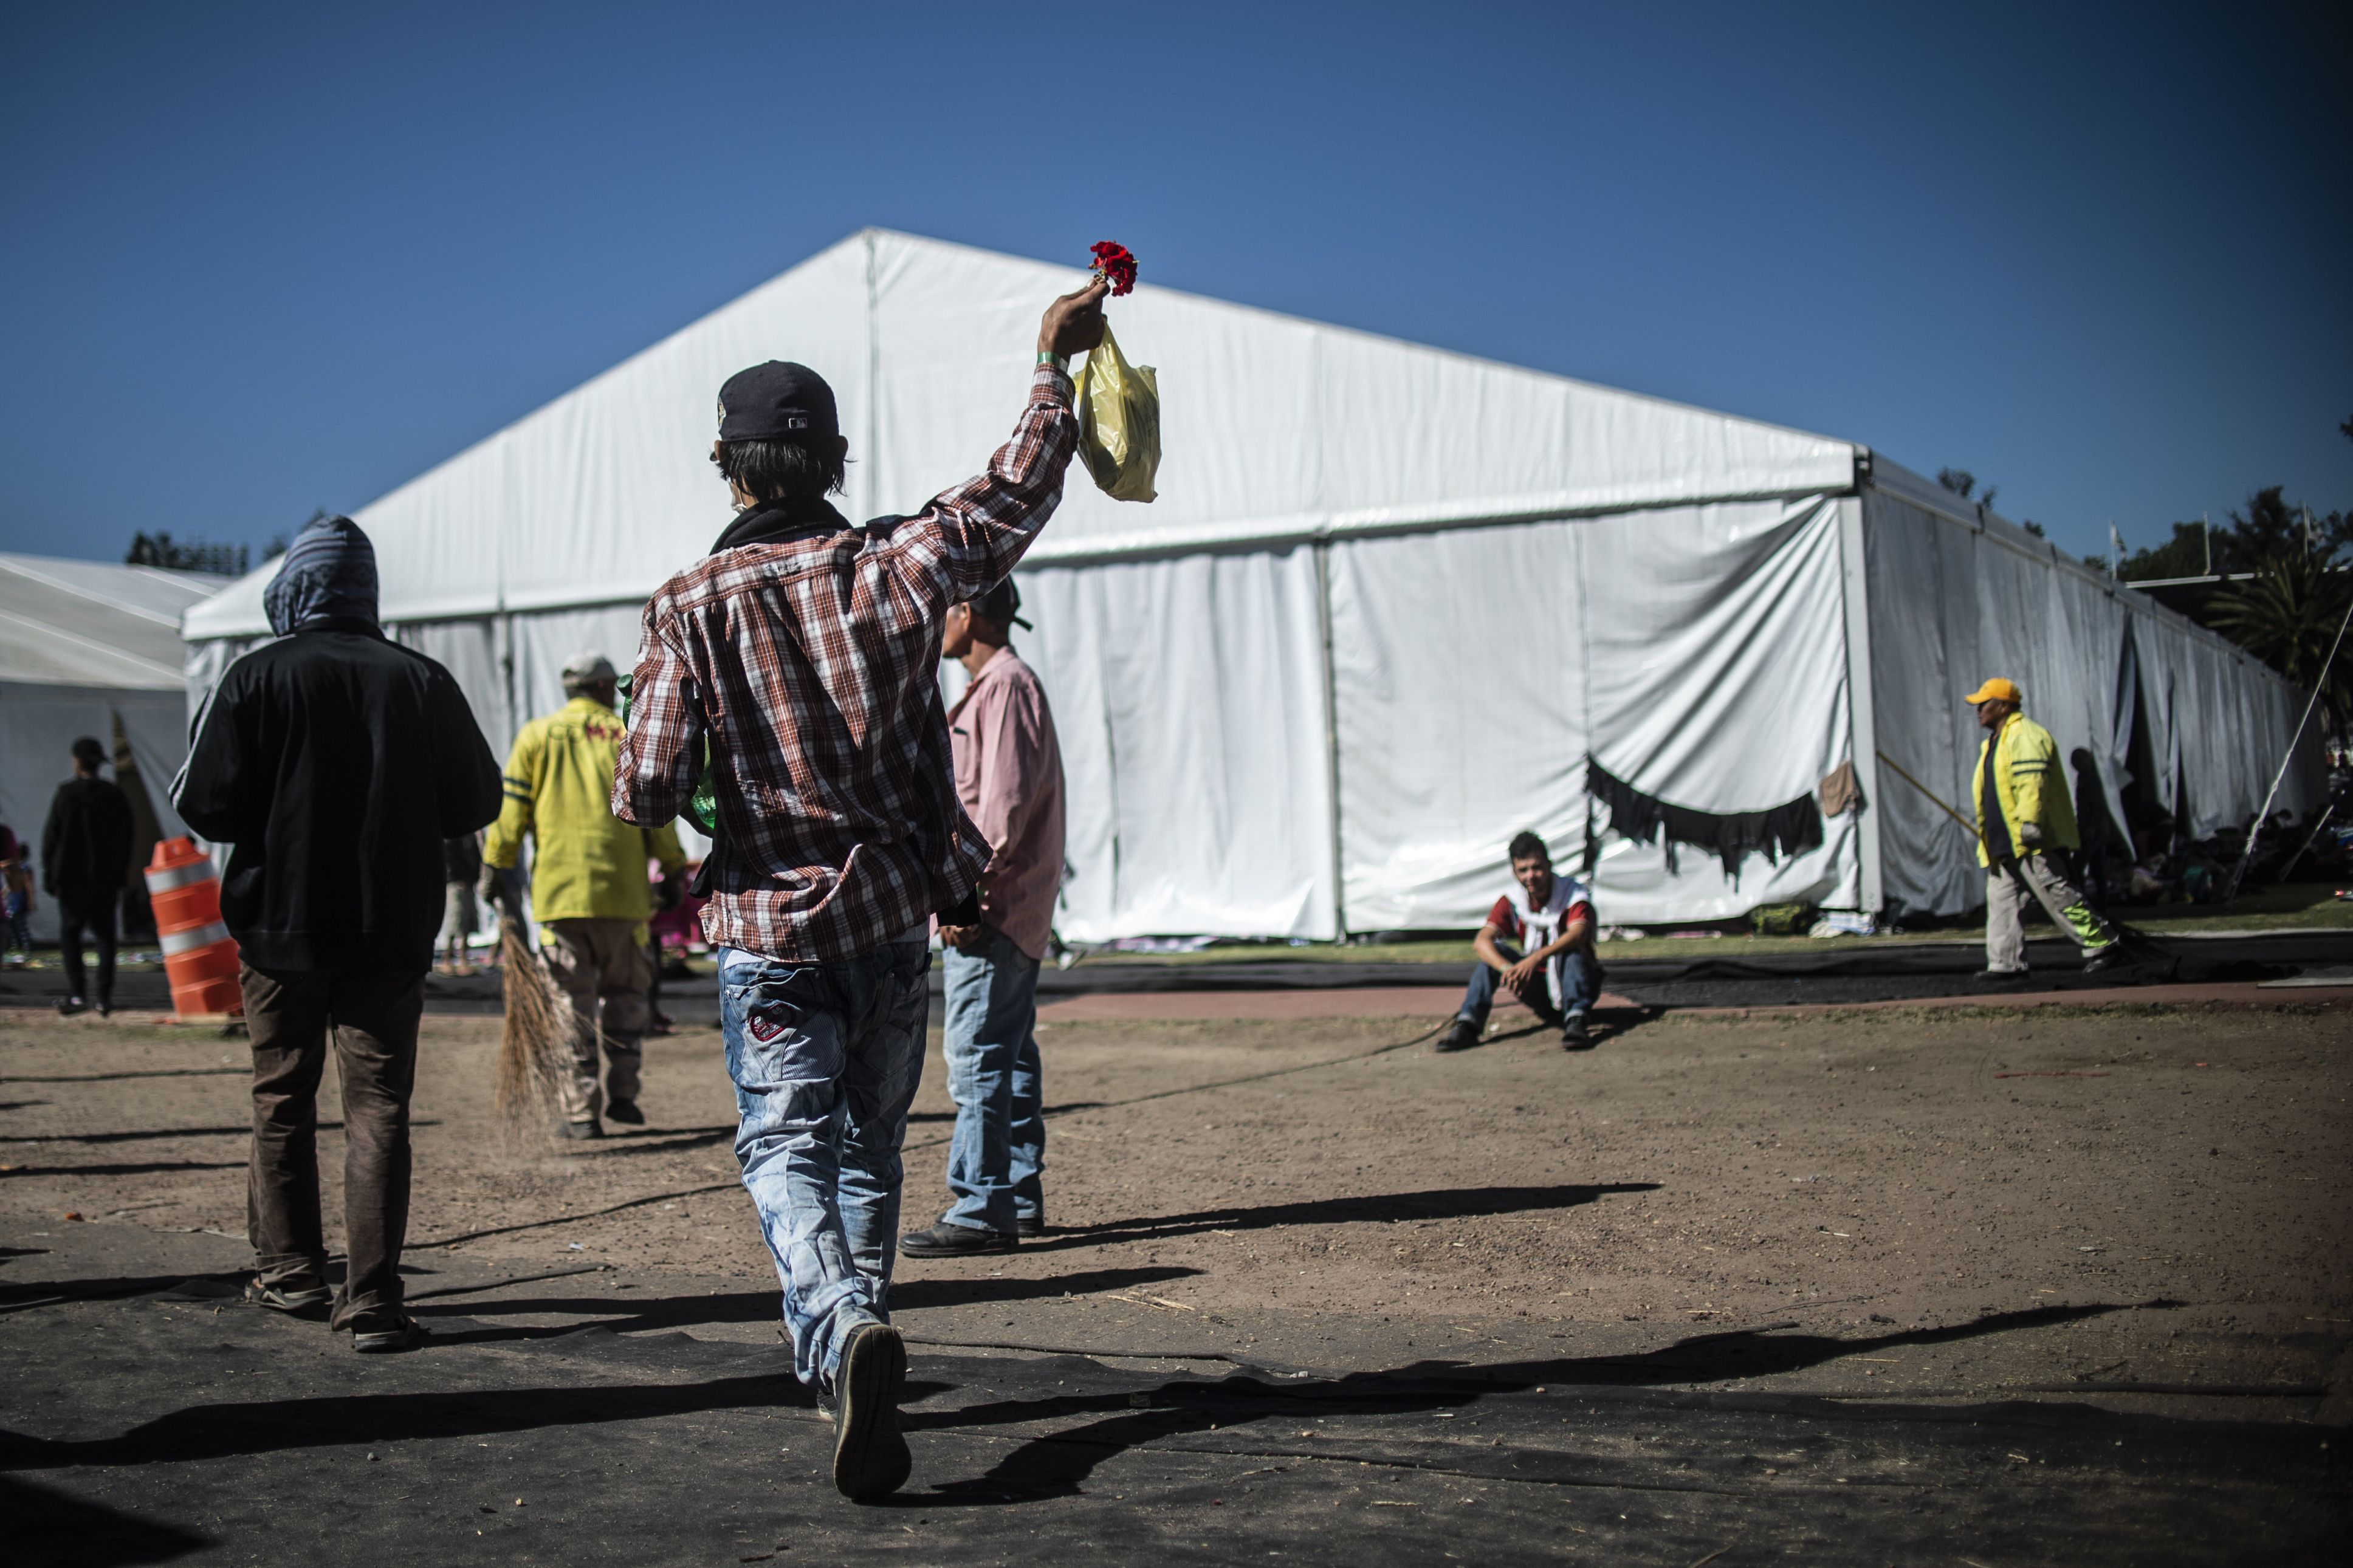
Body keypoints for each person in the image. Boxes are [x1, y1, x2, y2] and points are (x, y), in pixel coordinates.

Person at [614, 276, 1108, 1501]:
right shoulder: (897, 568)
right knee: (869, 1152)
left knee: (783, 1144)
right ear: (834, 461)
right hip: (894, 918)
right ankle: (858, 1346)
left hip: (768, 930)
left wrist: (729, 789)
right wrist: (1053, 362)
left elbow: (644, 785)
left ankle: (838, 1332)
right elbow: (1013, 497)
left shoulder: (687, 607)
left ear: (726, 470)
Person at [173, 515, 503, 1352]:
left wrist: (279, 802)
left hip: (279, 931)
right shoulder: (421, 680)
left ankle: (288, 1273)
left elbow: (203, 802)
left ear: (296, 588)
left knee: (281, 1095)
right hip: (389, 934)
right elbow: (477, 803)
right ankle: (373, 1300)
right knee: (378, 1107)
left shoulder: (255, 676)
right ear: (366, 590)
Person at [901, 576, 1066, 1257]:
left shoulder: (1000, 688)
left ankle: (979, 1207)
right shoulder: (1001, 686)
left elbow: (998, 810)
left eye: (945, 610)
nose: (937, 623)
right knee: (1008, 1053)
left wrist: (961, 892)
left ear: (967, 614)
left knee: (977, 1056)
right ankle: (1016, 1195)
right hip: (1009, 903)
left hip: (991, 907)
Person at [483, 652, 686, 1138]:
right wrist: (675, 866)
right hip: (625, 897)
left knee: (570, 1005)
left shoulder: (536, 736)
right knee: (626, 996)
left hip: (560, 896)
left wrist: (496, 861)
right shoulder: (626, 737)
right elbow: (653, 808)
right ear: (601, 687)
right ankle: (624, 1093)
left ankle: (580, 1112)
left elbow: (511, 812)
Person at [1963, 679, 2123, 978]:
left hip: (2027, 840)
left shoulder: (2026, 736)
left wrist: (2029, 824)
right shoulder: (1993, 743)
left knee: (2058, 894)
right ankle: (2005, 963)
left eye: (1983, 704)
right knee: (2002, 904)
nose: (1978, 710)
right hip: (2001, 844)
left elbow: (2031, 785)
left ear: (2003, 705)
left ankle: (2104, 945)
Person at [1437, 830, 1602, 1052]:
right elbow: (1482, 942)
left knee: (1570, 950)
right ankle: (1468, 1024)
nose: (1530, 876)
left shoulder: (1572, 893)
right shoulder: (1513, 900)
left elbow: (1579, 933)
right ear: (1514, 872)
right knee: (1493, 955)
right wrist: (1508, 969)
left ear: (1549, 864)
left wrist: (1535, 958)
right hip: (1537, 985)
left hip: (1577, 981)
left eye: (1536, 867)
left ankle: (1577, 1020)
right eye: (1523, 870)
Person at [41, 737, 134, 1016]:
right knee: (105, 937)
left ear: (77, 761)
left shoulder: (66, 795)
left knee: (71, 934)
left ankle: (78, 993)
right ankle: (104, 997)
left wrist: (51, 875)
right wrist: (120, 872)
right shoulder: (114, 796)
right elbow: (127, 838)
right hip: (105, 880)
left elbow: (51, 839)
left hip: (71, 880)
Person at [2069, 747, 2115, 912]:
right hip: (2098, 830)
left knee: (2079, 865)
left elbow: (2096, 805)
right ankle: (2100, 903)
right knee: (2097, 869)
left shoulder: (2089, 778)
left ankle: (2083, 901)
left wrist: (2091, 827)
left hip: (2093, 831)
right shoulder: (2089, 776)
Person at [441, 832, 483, 974]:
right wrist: (456, 876)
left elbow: (476, 856)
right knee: (456, 921)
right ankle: (448, 959)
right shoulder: (454, 835)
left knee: (467, 922)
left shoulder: (470, 835)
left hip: (468, 881)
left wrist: (474, 877)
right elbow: (448, 856)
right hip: (457, 882)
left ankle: (462, 960)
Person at [0, 823, 35, 966]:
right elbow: (16, 884)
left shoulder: (4, 835)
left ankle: (25, 947)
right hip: (10, 908)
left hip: (16, 904)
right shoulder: (4, 834)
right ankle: (22, 946)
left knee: (20, 926)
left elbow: (21, 885)